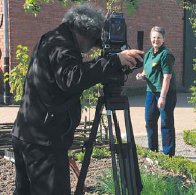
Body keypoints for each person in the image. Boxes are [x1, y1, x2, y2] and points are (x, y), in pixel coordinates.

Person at [11, 4, 143, 195]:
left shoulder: (52, 38)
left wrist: (106, 64)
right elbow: (72, 78)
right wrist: (113, 61)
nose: (88, 51)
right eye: (93, 42)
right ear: (85, 33)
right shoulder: (62, 44)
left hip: (28, 133)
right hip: (43, 141)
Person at [136, 26, 177, 157]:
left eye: (158, 37)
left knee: (166, 123)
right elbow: (146, 70)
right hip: (151, 92)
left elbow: (167, 77)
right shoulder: (148, 54)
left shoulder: (166, 55)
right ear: (150, 38)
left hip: (165, 93)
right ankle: (153, 151)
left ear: (163, 39)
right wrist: (141, 75)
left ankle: (168, 154)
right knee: (149, 121)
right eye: (153, 37)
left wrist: (163, 97)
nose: (156, 40)